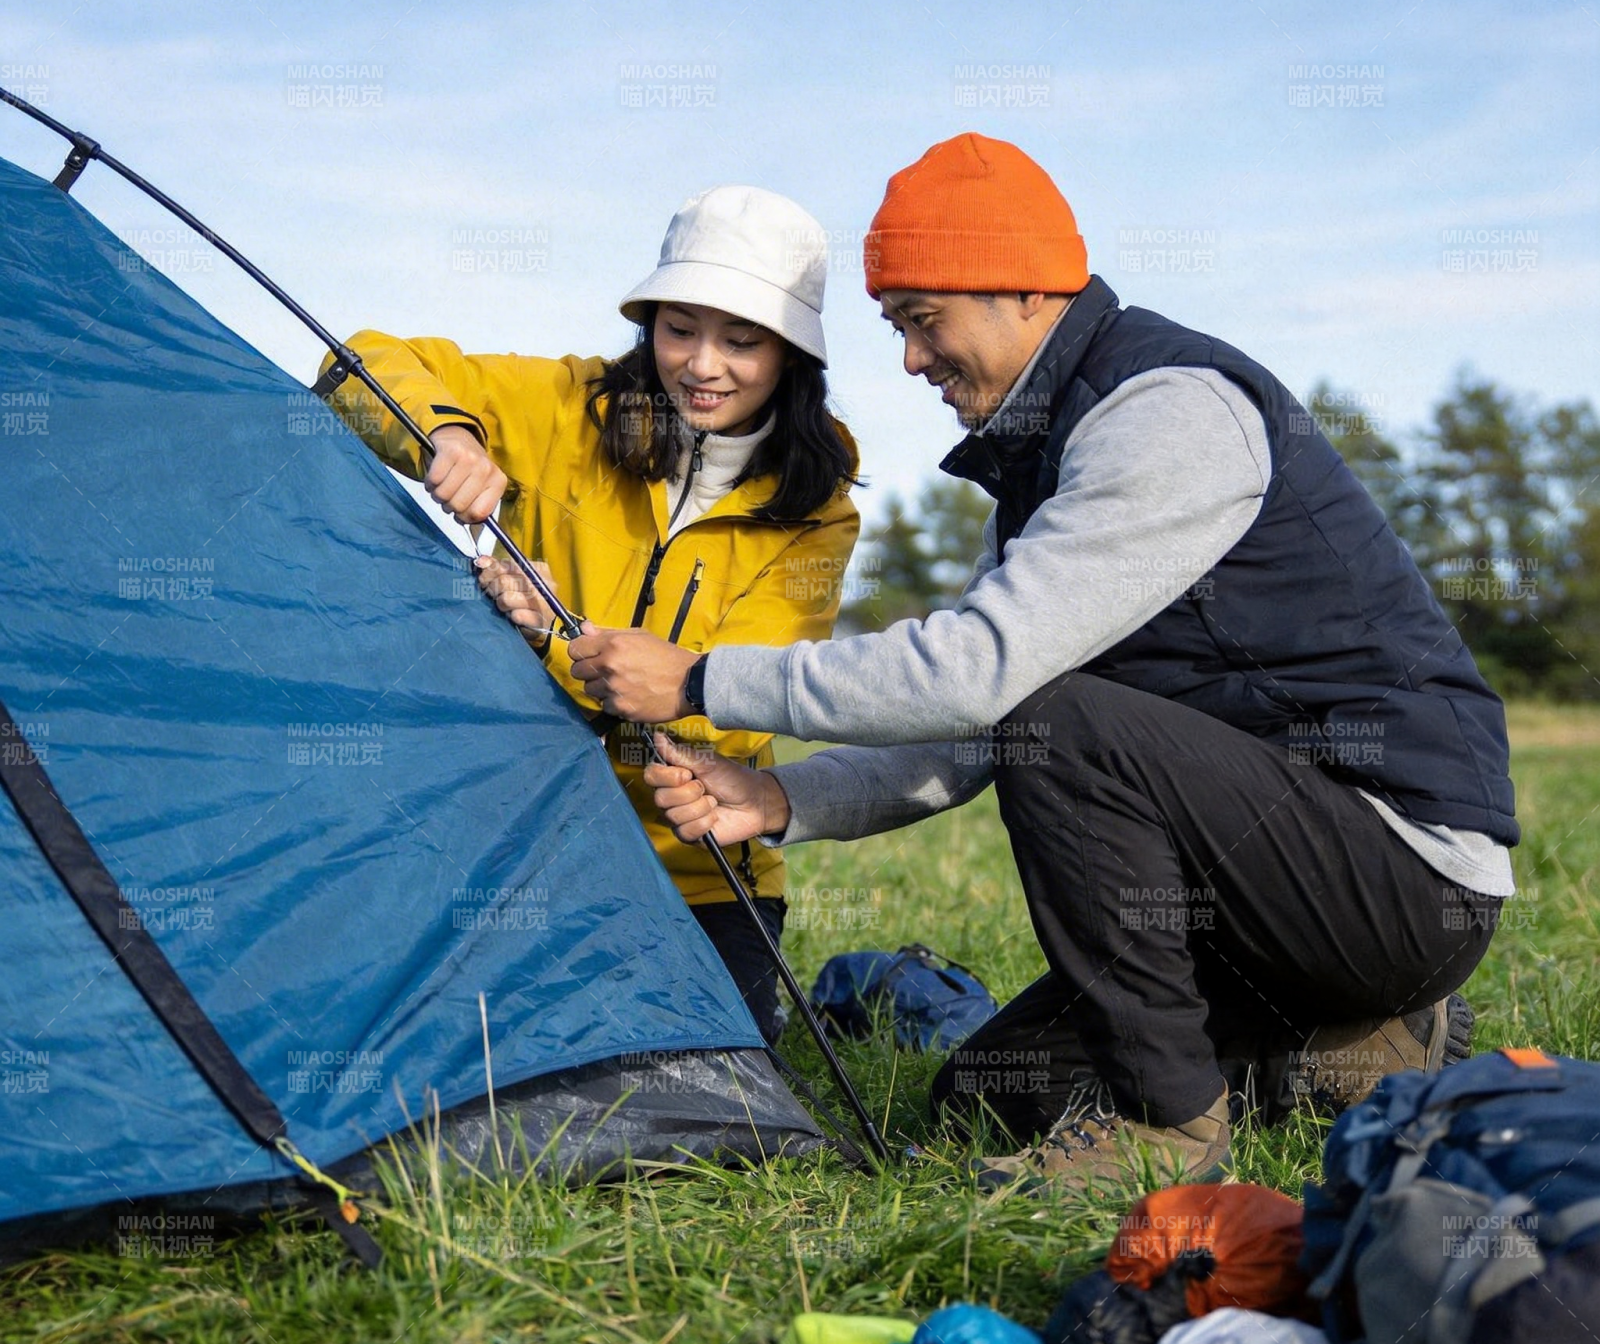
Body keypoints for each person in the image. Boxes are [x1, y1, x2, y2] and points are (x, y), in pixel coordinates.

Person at [564, 134, 1517, 1192]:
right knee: (993, 1093)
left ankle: (1169, 1130)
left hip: (1399, 869)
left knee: (1058, 720)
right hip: (1263, 891)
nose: (912, 360)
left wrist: (700, 679)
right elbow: (969, 729)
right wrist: (780, 797)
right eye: (897, 327)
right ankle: (1355, 1044)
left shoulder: (1168, 412)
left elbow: (980, 676)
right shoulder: (1044, 462)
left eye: (923, 321)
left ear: (1022, 291)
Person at [322, 185, 861, 1043]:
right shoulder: (563, 408)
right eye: (680, 327)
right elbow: (355, 363)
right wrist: (448, 435)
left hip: (701, 873)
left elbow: (726, 717)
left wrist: (552, 633)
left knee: (712, 1103)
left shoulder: (817, 509)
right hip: (513, 849)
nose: (703, 364)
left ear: (792, 355)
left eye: (742, 339)